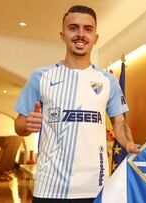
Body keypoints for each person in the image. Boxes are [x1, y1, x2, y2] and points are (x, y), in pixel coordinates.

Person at [14, 5, 139, 203]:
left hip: (95, 187)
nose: (81, 34)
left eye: (88, 29)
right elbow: (19, 125)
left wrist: (129, 143)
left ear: (96, 38)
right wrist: (27, 123)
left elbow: (119, 123)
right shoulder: (41, 77)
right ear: (62, 35)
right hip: (50, 189)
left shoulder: (108, 81)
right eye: (73, 28)